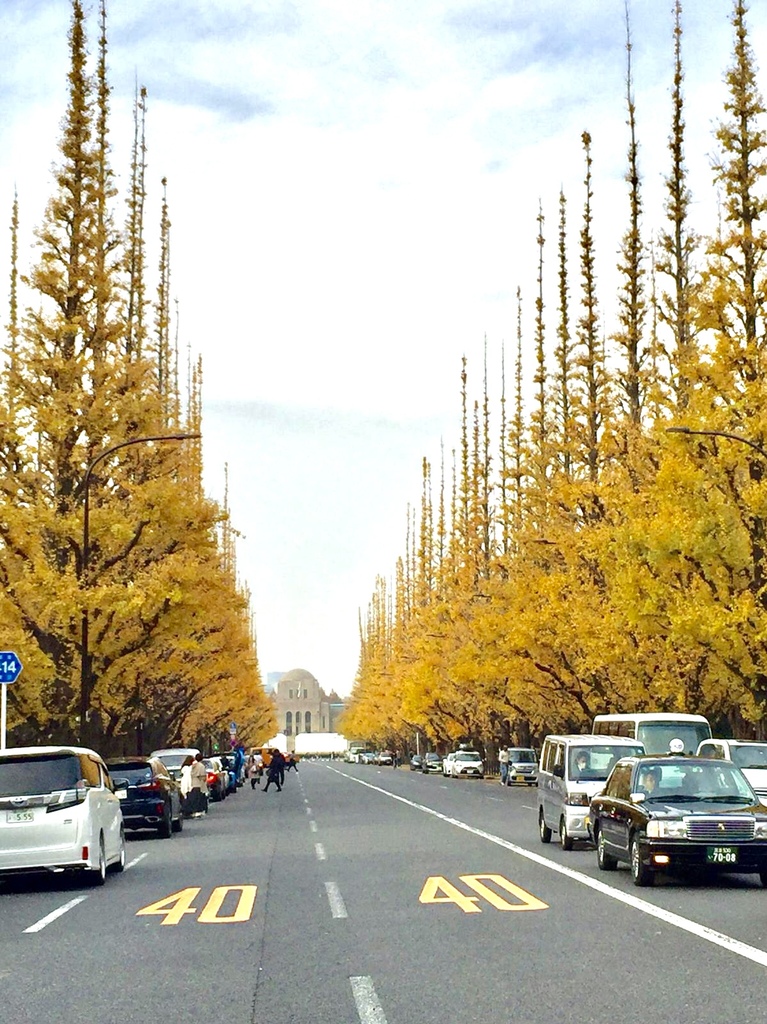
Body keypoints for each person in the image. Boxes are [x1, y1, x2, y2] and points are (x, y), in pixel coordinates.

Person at [188, 751, 208, 817]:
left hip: (193, 783)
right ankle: (199, 811)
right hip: (200, 784)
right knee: (199, 798)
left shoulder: (192, 766)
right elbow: (203, 776)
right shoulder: (201, 766)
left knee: (194, 799)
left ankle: (194, 811)